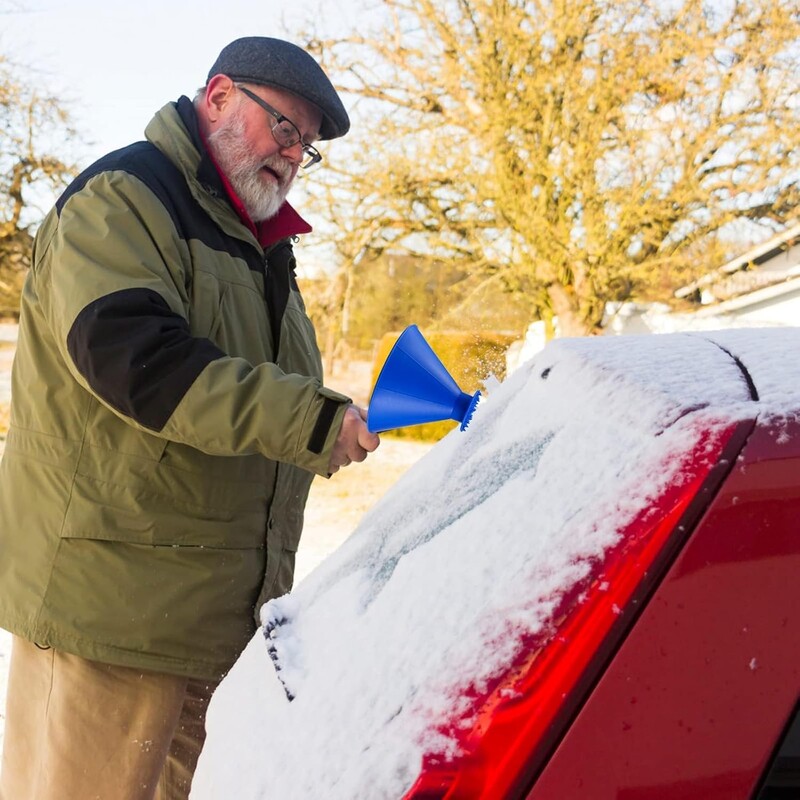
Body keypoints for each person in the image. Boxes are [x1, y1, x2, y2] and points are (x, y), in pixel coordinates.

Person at [0, 36, 380, 800]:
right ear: (217, 96)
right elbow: (138, 359)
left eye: (306, 145)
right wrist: (308, 419)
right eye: (284, 127)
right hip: (109, 620)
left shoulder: (258, 247)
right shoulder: (126, 198)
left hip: (210, 632)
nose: (293, 154)